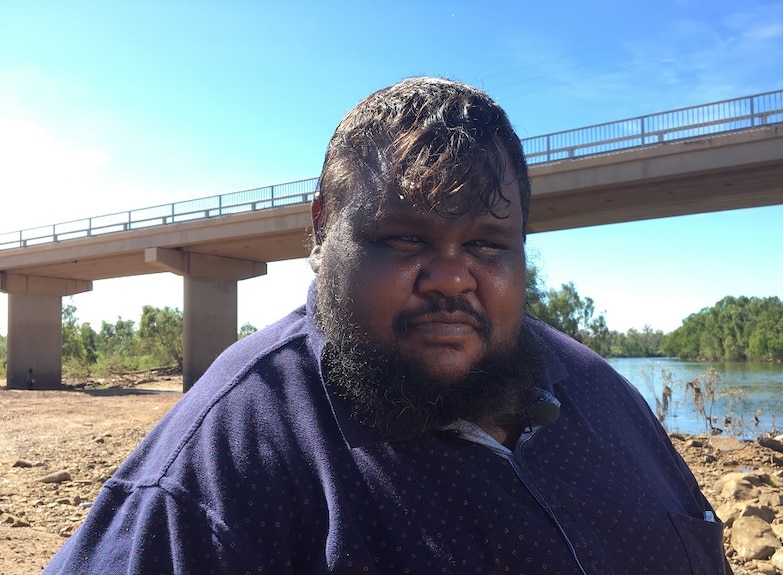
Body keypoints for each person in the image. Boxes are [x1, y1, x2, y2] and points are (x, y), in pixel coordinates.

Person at [44, 77, 728, 574]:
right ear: (320, 231)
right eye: (404, 239)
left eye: (489, 244)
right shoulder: (229, 463)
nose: (452, 278)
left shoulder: (599, 391)